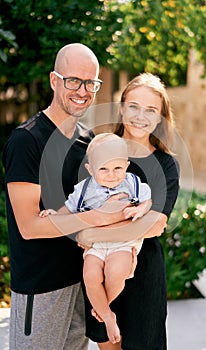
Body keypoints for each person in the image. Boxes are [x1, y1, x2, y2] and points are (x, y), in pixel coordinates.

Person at [2, 43, 131, 350]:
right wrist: (98, 217)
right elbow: (30, 226)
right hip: (41, 289)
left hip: (81, 283)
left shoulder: (89, 142)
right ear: (53, 80)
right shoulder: (26, 140)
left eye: (91, 83)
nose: (82, 91)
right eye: (73, 80)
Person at [81, 73, 180, 350]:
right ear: (121, 108)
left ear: (161, 118)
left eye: (151, 110)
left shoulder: (165, 165)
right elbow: (81, 204)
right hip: (99, 271)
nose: (140, 116)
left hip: (143, 272)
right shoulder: (97, 149)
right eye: (134, 106)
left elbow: (155, 224)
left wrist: (93, 229)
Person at [39, 132, 152, 344]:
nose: (111, 175)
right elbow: (70, 209)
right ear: (91, 169)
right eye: (103, 169)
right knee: (90, 275)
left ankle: (103, 308)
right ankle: (107, 316)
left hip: (122, 243)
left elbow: (147, 199)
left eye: (118, 168)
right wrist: (55, 214)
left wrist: (141, 210)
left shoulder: (132, 183)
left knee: (116, 271)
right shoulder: (84, 189)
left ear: (126, 165)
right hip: (97, 245)